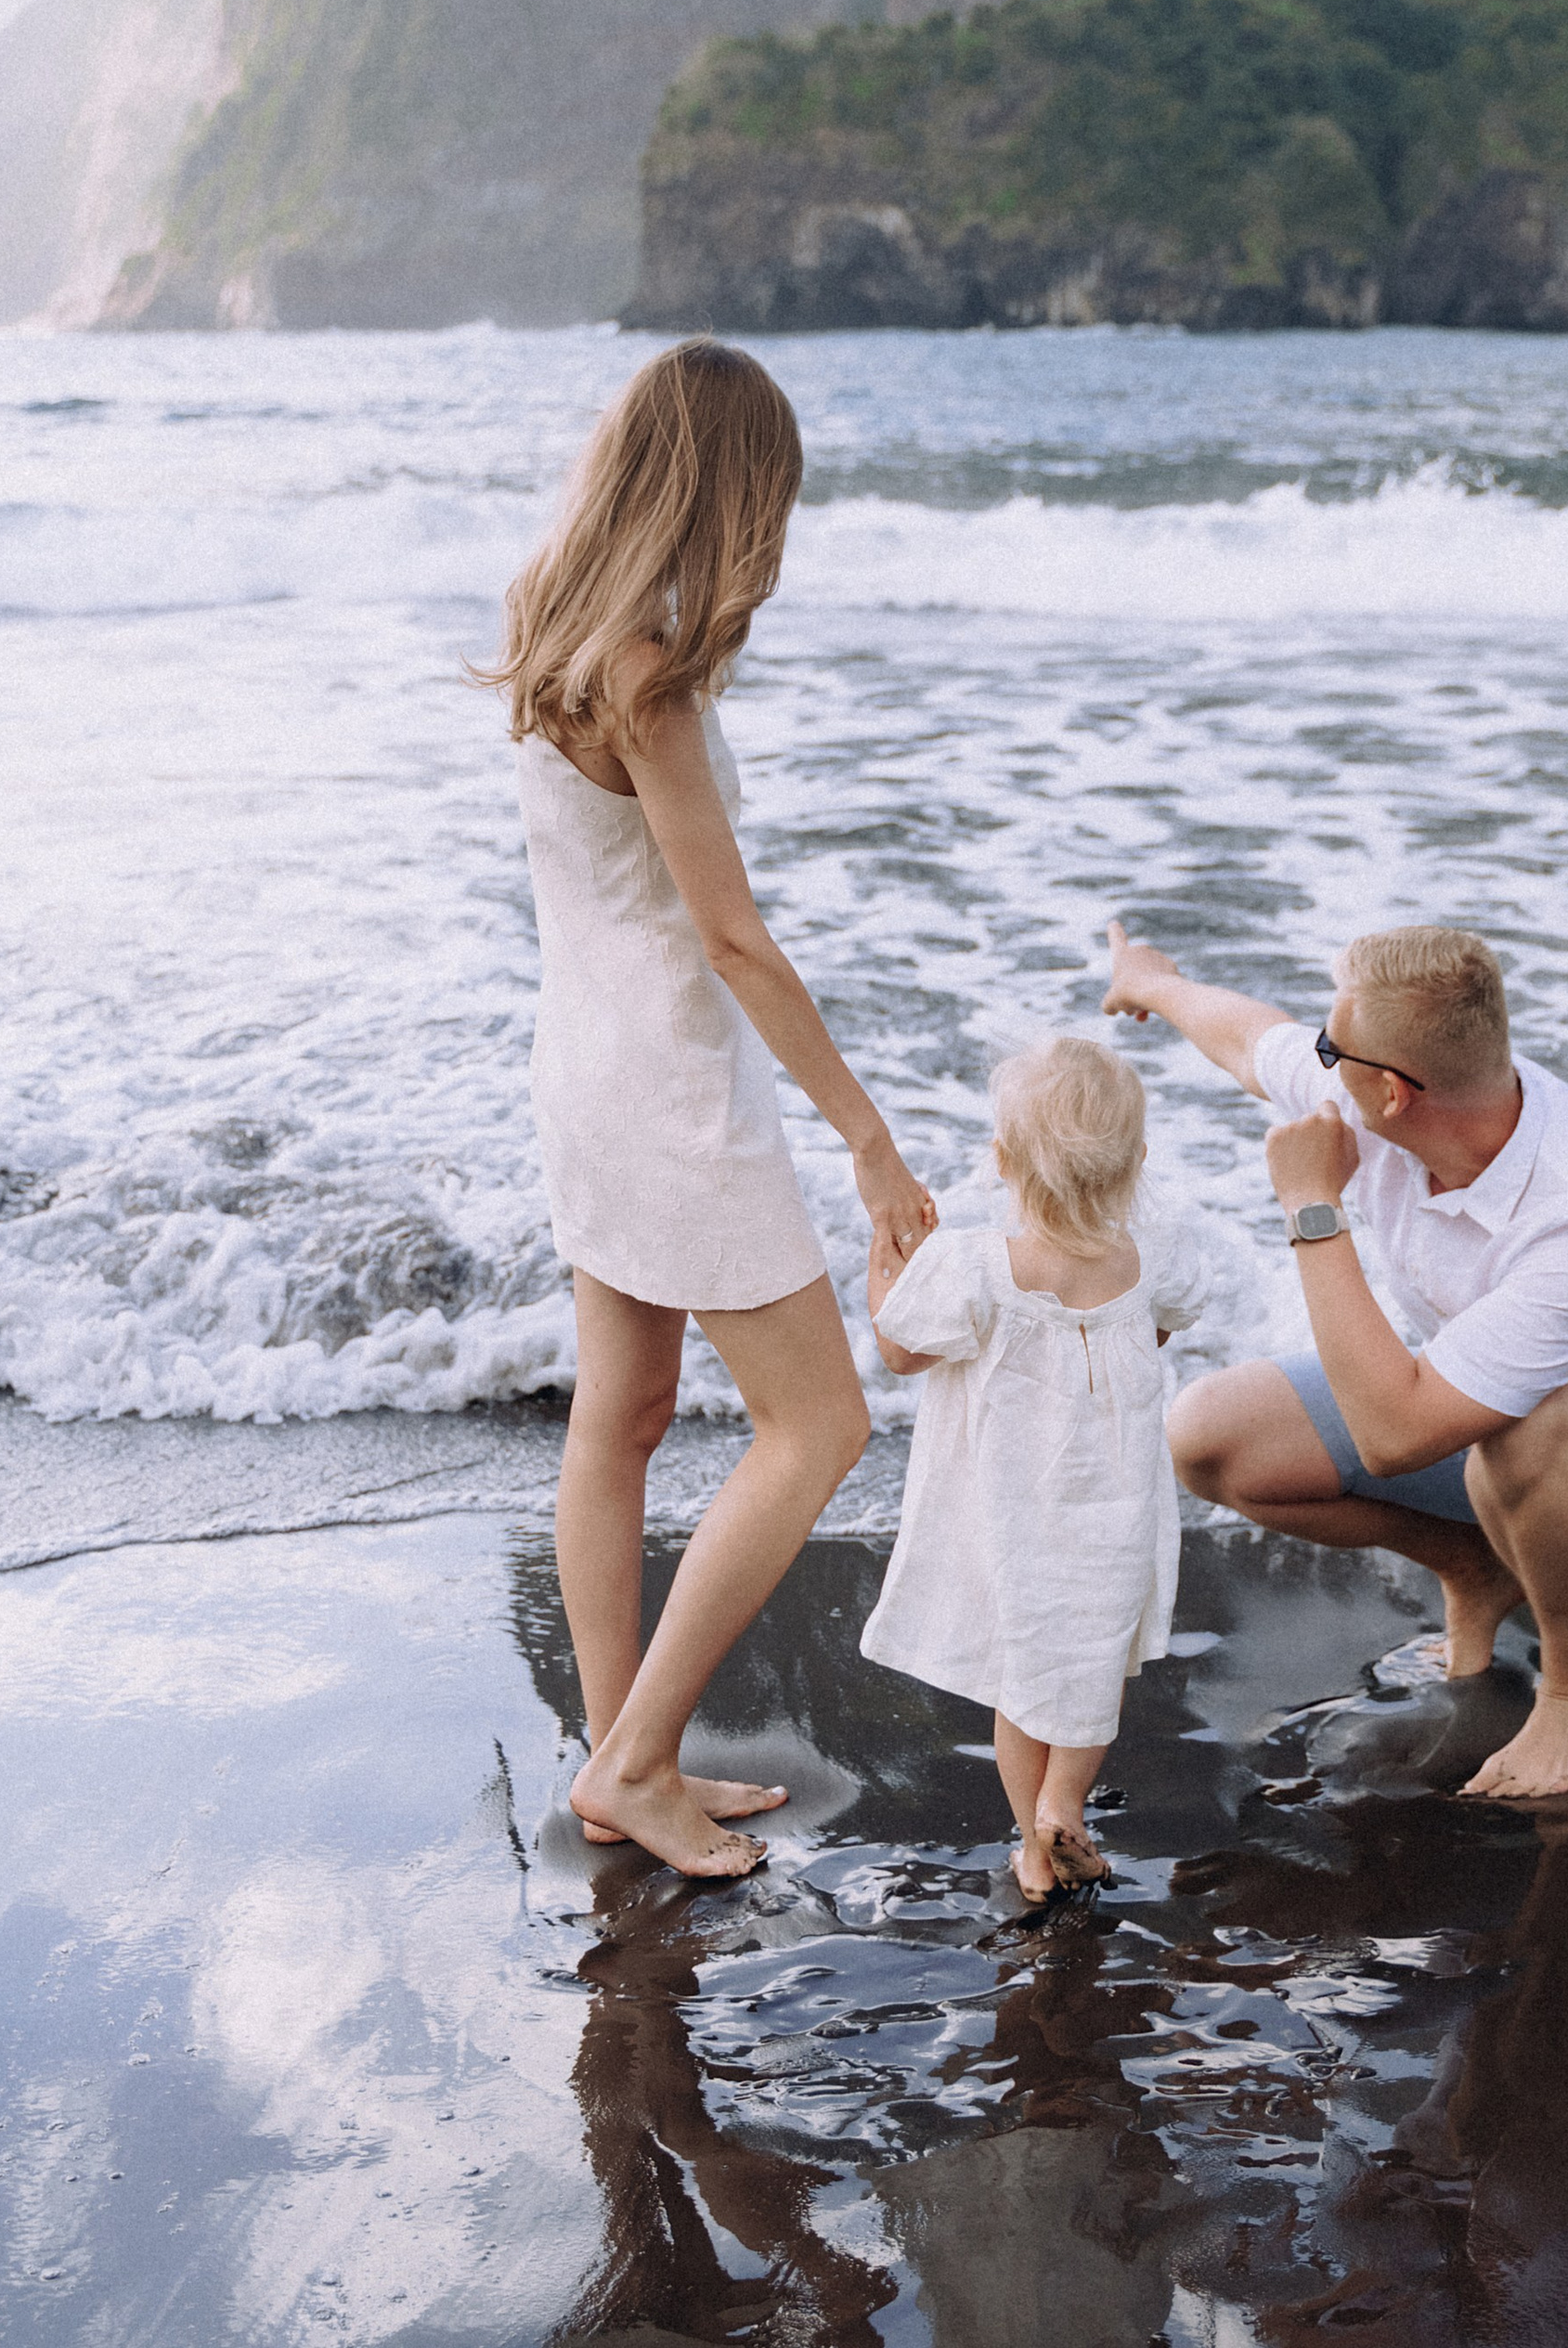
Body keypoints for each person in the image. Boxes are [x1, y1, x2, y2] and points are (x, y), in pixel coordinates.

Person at [482, 340, 937, 1879]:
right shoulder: (648, 672)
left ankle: (626, 1762)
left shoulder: (550, 608)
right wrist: (870, 1140)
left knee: (622, 1419)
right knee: (821, 1421)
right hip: (672, 1088)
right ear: (729, 493)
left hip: (585, 1060)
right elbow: (732, 939)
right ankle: (636, 1757)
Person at [1101, 918, 1568, 1801]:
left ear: (1394, 1092)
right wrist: (1151, 981)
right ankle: (1479, 1562)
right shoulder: (1385, 1091)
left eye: (1331, 1045)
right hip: (1504, 1411)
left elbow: (1394, 1437)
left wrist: (1311, 1204)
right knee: (1212, 1436)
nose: (1317, 1057)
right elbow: (1245, 1038)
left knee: (1533, 1418)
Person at [859, 1033, 1207, 1907]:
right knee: (1090, 1674)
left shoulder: (976, 1266)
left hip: (1013, 1518)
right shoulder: (1147, 1254)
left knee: (1026, 1680)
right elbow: (1163, 1323)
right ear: (1135, 1164)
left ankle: (1035, 1840)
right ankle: (1066, 1805)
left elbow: (899, 1350)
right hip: (1116, 1513)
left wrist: (886, 1268)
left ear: (1003, 1161)